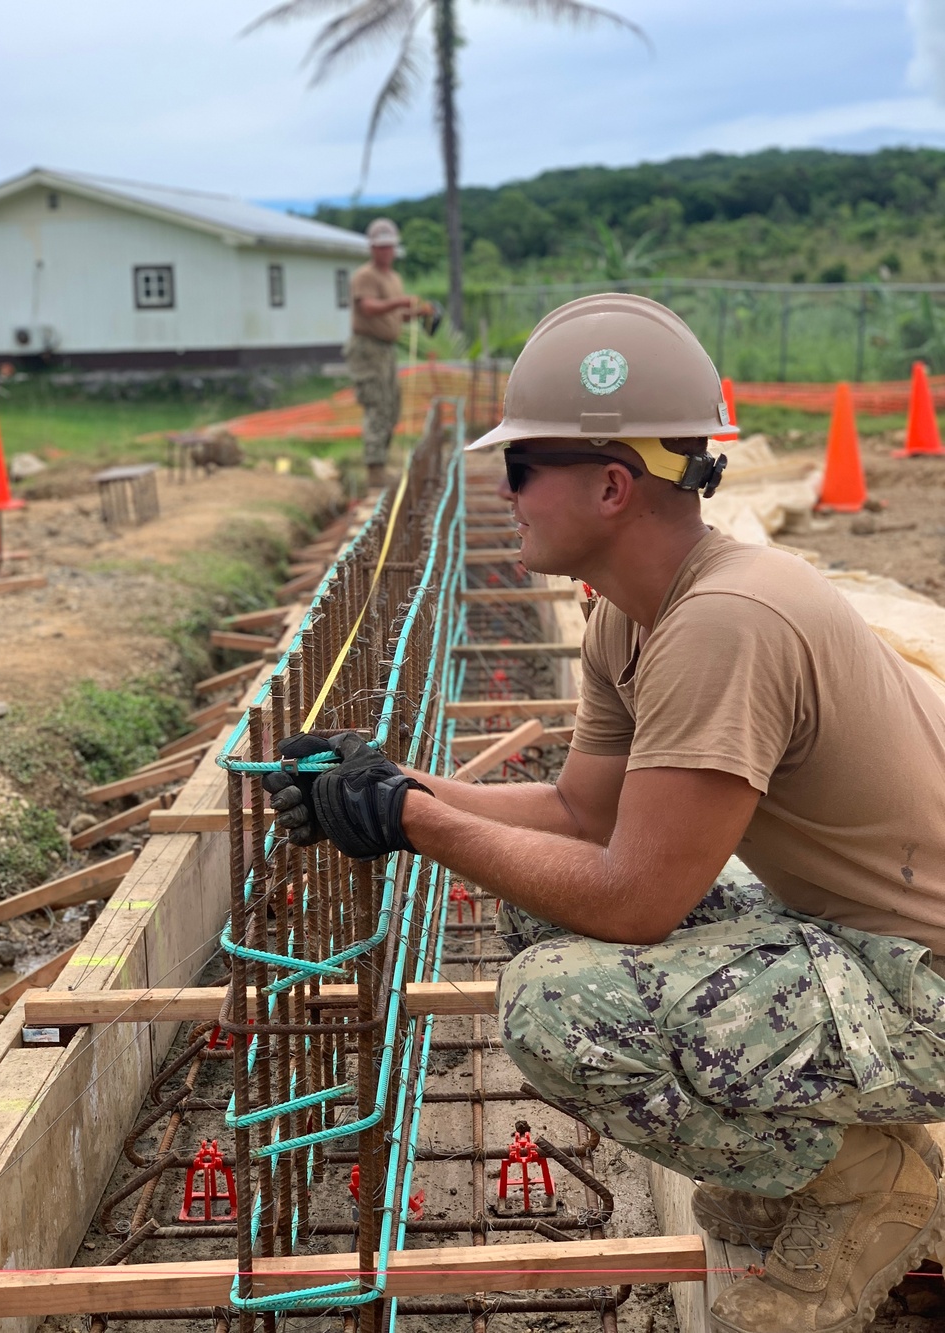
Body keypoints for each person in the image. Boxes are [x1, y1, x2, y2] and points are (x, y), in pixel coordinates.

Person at [265, 293, 945, 1333]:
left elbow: (636, 899)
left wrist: (417, 824)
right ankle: (818, 1160)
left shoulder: (725, 623)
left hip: (926, 985)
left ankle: (866, 1179)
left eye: (521, 468)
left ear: (612, 484)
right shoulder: (637, 616)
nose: (506, 491)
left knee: (556, 1003)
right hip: (870, 946)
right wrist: (391, 782)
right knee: (541, 914)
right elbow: (583, 816)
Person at [347, 217, 434, 493]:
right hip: (367, 348)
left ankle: (381, 465)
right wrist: (401, 302)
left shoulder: (393, 278)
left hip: (386, 350)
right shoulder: (365, 276)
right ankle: (375, 472)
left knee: (392, 406)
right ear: (372, 248)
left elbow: (394, 315)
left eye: (389, 247)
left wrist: (415, 312)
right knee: (377, 405)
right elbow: (369, 308)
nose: (385, 252)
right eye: (380, 247)